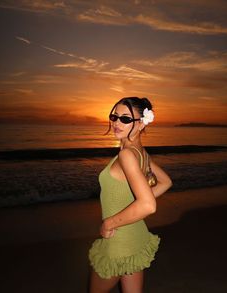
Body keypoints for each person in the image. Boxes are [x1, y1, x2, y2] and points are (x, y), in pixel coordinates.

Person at [89, 97, 172, 293]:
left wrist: (109, 223)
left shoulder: (127, 155)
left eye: (125, 119)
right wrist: (136, 201)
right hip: (135, 236)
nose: (116, 122)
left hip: (119, 241)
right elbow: (166, 182)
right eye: (114, 116)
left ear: (141, 123)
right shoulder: (141, 153)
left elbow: (148, 205)